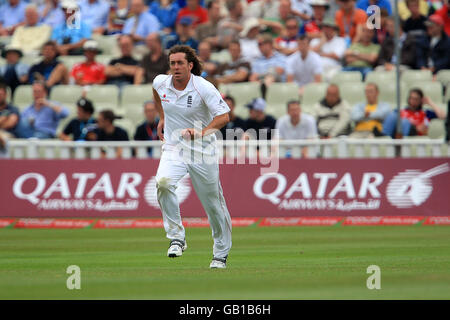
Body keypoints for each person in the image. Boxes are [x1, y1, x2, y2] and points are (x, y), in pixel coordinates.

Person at [152, 45, 232, 268]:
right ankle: (177, 238)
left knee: (213, 204)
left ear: (190, 65)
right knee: (163, 182)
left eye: (180, 63)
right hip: (174, 147)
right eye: (172, 63)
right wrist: (162, 117)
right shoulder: (160, 82)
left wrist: (201, 132)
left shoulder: (203, 87)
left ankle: (220, 254)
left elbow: (224, 116)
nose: (176, 67)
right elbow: (156, 95)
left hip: (202, 151)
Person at [382, 88, 446, 138]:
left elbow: (443, 116)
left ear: (421, 100)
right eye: (411, 98)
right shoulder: (401, 111)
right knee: (392, 115)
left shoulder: (426, 113)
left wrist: (430, 103)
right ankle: (384, 137)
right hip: (398, 135)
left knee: (405, 122)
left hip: (415, 134)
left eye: (416, 99)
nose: (413, 101)